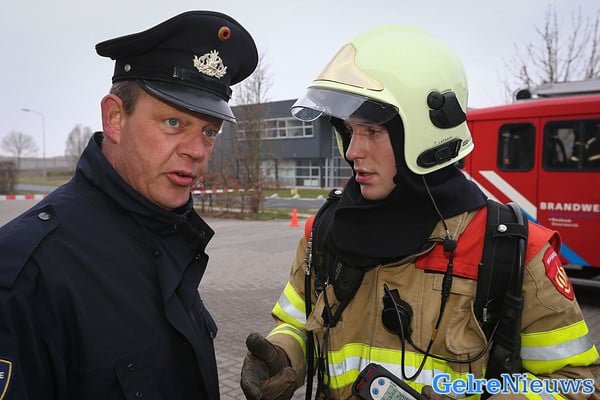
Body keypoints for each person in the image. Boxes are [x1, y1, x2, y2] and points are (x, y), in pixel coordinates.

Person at [240, 25, 600, 399]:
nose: (352, 151)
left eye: (372, 131)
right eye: (349, 131)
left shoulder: (512, 250)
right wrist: (283, 355)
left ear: (425, 134)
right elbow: (297, 323)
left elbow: (577, 382)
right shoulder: (324, 231)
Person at [0, 11, 257, 399]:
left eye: (208, 131)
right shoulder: (28, 276)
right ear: (115, 118)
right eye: (173, 123)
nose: (197, 151)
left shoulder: (168, 230)